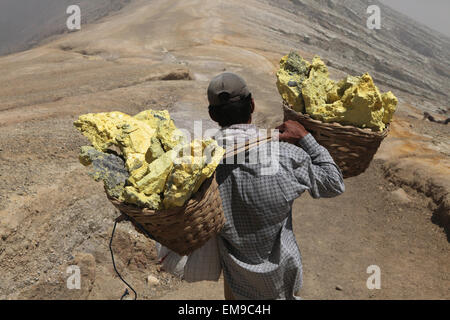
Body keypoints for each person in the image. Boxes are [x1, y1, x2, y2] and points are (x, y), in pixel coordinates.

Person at [207, 72, 345, 300]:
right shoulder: (286, 155)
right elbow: (334, 183)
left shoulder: (200, 162)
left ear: (213, 115)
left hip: (237, 285)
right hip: (282, 282)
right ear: (251, 104)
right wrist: (305, 138)